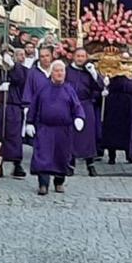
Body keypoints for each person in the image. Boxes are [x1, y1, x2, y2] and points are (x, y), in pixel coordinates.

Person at [26, 60, 86, 195]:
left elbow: (77, 106)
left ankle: (59, 182)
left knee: (62, 156)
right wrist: (29, 122)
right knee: (43, 156)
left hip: (63, 130)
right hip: (45, 128)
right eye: (57, 71)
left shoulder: (69, 89)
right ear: (51, 73)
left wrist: (79, 117)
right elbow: (34, 105)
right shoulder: (43, 88)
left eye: (62, 71)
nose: (59, 73)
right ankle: (43, 184)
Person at [64, 48, 104, 177]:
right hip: (70, 105)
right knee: (71, 135)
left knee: (88, 136)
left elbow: (100, 86)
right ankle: (70, 163)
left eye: (83, 56)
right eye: (78, 56)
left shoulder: (89, 71)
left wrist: (94, 74)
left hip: (86, 105)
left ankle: (90, 164)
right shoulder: (67, 70)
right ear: (73, 57)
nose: (80, 59)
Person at [0, 48, 27, 178]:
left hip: (14, 106)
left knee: (14, 136)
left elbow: (20, 79)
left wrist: (12, 67)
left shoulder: (20, 69)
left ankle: (17, 164)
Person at [101, 54, 132, 164]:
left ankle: (129, 154)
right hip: (113, 103)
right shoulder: (111, 72)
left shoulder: (131, 71)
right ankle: (112, 156)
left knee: (127, 129)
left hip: (126, 103)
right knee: (112, 129)